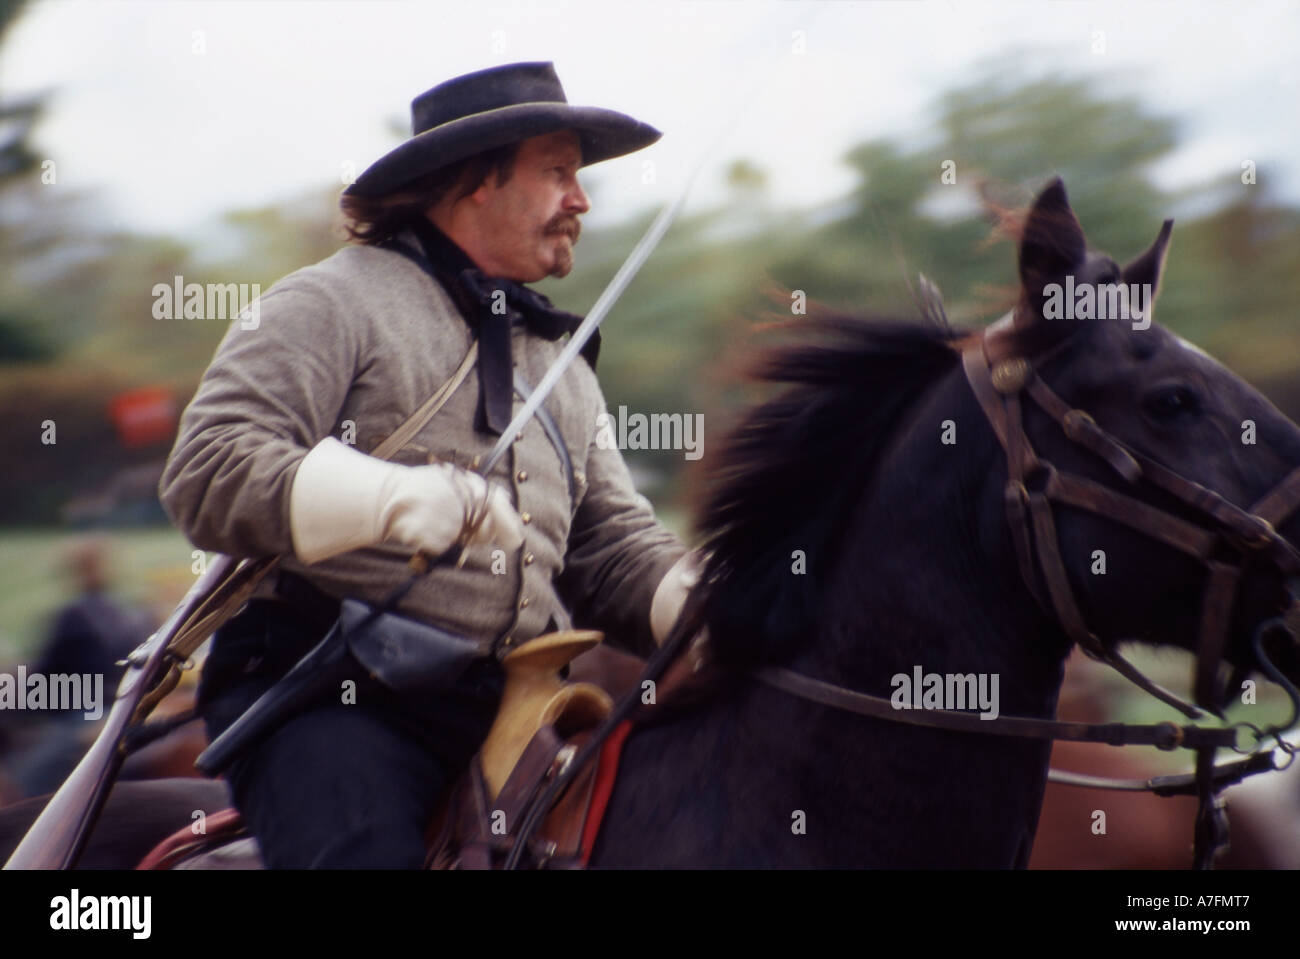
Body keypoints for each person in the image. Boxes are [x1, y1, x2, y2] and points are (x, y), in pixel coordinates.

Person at [158, 62, 698, 868]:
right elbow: (207, 466)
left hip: (513, 705)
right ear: (480, 180)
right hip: (328, 697)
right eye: (558, 173)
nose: (579, 200)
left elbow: (609, 548)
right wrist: (386, 498)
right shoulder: (329, 302)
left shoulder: (564, 364)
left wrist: (704, 597)